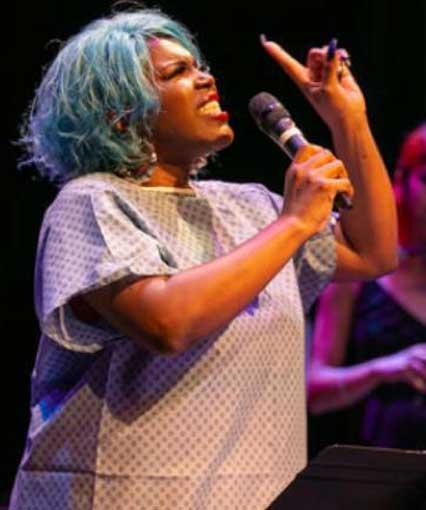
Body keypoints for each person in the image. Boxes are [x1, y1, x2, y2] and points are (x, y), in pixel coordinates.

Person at [11, 8, 397, 510]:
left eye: (200, 66)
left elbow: (373, 253)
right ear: (119, 113)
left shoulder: (249, 206)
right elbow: (167, 323)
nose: (206, 79)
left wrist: (348, 120)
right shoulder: (92, 202)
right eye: (177, 72)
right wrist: (294, 222)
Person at [307, 122, 426, 453]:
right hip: (374, 458)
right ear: (402, 178)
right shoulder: (359, 265)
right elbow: (315, 391)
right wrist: (382, 370)